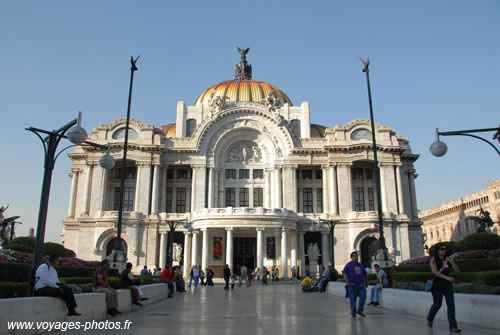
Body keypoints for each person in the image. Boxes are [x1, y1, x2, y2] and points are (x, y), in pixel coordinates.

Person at [426, 243, 461, 333]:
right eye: (442, 249)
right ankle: (430, 318)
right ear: (437, 251)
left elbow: (457, 271)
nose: (444, 251)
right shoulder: (433, 259)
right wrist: (447, 277)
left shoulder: (447, 259)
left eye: (445, 249)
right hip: (437, 285)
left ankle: (453, 327)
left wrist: (452, 262)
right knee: (437, 304)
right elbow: (435, 272)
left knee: (451, 305)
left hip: (447, 285)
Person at [343, 251, 367, 317]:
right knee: (353, 299)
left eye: (357, 256)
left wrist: (366, 282)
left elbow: (364, 273)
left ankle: (360, 310)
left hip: (361, 284)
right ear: (351, 257)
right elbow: (344, 273)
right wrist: (347, 281)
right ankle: (353, 312)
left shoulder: (360, 265)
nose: (356, 257)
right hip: (352, 284)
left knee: (363, 297)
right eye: (354, 256)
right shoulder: (348, 265)